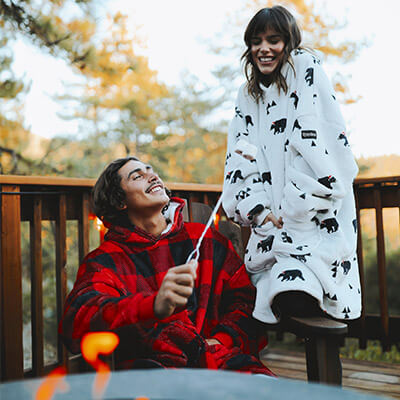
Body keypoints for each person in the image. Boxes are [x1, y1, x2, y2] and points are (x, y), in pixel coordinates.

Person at [59, 156, 274, 376]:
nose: (153, 176)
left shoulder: (205, 239)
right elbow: (78, 320)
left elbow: (246, 300)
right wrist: (152, 305)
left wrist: (221, 339)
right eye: (138, 176)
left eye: (151, 171)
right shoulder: (105, 260)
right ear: (119, 201)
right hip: (155, 378)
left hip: (225, 364)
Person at [222, 6, 361, 323]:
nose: (264, 49)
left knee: (306, 302)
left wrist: (296, 209)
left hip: (313, 218)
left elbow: (318, 144)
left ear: (289, 42)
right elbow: (240, 159)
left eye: (273, 40)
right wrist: (259, 209)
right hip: (272, 228)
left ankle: (325, 371)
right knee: (280, 301)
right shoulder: (248, 96)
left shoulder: (305, 70)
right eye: (256, 41)